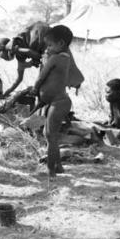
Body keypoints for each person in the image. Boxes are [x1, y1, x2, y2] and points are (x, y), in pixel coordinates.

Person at [30, 25, 75, 178]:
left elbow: (42, 76)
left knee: (50, 135)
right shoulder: (65, 58)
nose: (47, 49)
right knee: (49, 134)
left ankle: (50, 169)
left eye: (50, 45)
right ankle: (59, 166)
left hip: (58, 102)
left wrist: (35, 89)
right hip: (58, 101)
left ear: (61, 44)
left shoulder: (55, 58)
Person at [0, 21, 84, 98]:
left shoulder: (17, 44)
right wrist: (7, 93)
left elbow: (36, 55)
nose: (4, 59)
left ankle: (53, 114)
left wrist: (21, 52)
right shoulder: (19, 51)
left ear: (3, 49)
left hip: (51, 45)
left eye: (1, 56)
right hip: (50, 44)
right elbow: (19, 79)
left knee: (47, 85)